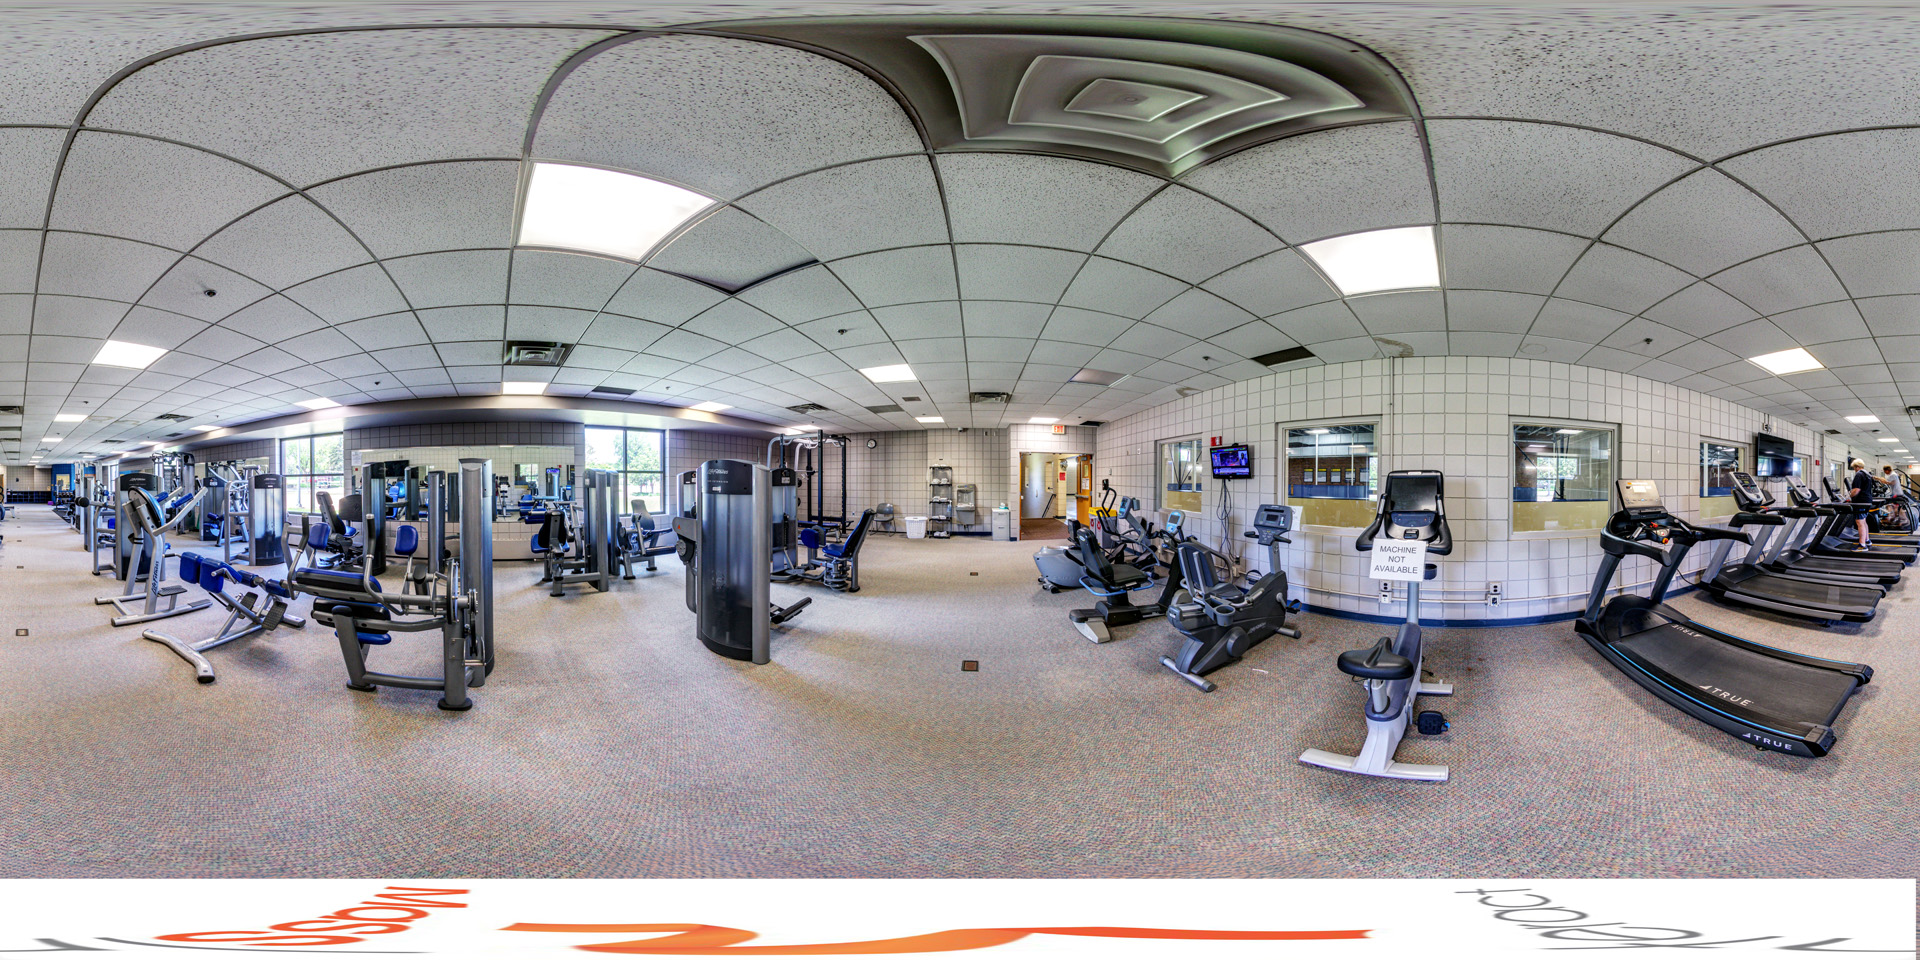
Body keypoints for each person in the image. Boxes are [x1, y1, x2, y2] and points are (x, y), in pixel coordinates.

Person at [1847, 459, 1874, 548]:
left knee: (1859, 522)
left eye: (1854, 468)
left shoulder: (1859, 474)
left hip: (1861, 501)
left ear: (1857, 467)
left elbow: (1856, 490)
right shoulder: (1867, 474)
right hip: (1867, 500)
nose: (1854, 469)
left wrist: (1849, 496)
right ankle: (1867, 540)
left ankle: (1862, 545)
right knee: (1863, 521)